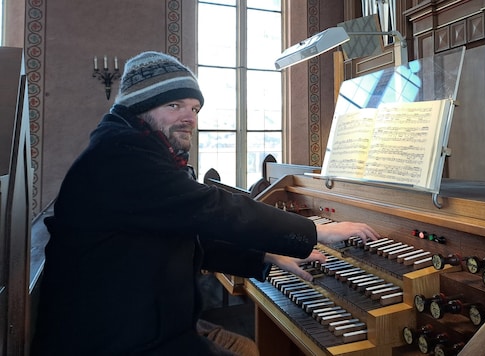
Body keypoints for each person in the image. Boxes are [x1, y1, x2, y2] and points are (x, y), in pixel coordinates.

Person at [30, 51, 380, 356]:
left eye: (194, 108)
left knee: (245, 347)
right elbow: (213, 208)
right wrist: (315, 230)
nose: (190, 118)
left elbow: (184, 233)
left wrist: (264, 255)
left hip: (132, 320)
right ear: (140, 107)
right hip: (110, 338)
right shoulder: (121, 156)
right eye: (174, 105)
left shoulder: (129, 146)